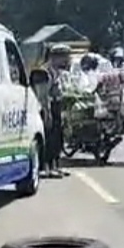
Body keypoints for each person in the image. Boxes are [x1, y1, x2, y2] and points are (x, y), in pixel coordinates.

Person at [40, 44, 72, 178]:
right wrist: (47, 113)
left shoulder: (58, 72)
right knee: (49, 138)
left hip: (57, 105)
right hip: (49, 107)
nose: (67, 60)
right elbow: (43, 95)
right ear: (55, 57)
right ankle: (46, 167)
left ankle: (56, 166)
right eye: (65, 57)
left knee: (58, 137)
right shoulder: (45, 72)